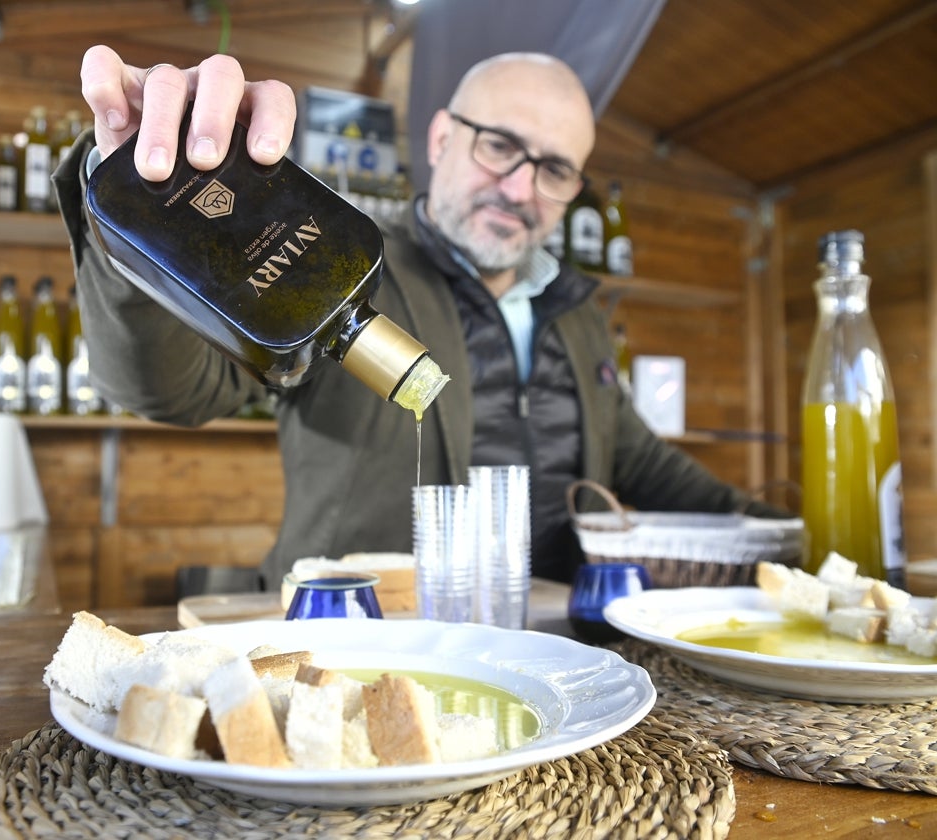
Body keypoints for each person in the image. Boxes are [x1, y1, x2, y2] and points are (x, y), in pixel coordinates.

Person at [53, 47, 786, 586]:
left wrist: (783, 536)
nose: (520, 186)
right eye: (500, 145)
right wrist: (128, 206)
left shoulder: (576, 308)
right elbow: (166, 392)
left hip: (557, 646)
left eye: (555, 169)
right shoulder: (339, 267)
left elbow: (637, 459)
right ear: (441, 139)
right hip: (364, 642)